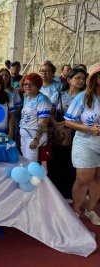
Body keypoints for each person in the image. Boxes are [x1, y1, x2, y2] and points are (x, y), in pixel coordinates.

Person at [64, 62, 100, 224]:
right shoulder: (83, 97)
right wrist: (89, 129)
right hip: (85, 143)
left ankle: (91, 210)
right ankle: (75, 210)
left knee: (98, 179)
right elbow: (68, 122)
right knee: (83, 180)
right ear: (93, 77)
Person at [47, 68, 86, 200]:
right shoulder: (58, 95)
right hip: (58, 133)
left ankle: (68, 193)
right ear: (69, 80)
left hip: (76, 133)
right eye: (77, 78)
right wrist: (56, 124)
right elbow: (48, 112)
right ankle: (55, 191)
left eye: (83, 78)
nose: (81, 81)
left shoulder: (85, 97)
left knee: (71, 163)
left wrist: (64, 124)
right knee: (56, 161)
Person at [19, 73, 52, 162]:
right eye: (25, 84)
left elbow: (44, 121)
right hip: (25, 136)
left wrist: (36, 139)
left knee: (32, 166)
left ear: (38, 85)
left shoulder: (43, 100)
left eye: (31, 84)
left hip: (34, 137)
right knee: (26, 164)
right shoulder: (27, 98)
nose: (28, 86)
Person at [0, 68, 22, 140]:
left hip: (11, 119)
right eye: (2, 75)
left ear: (9, 77)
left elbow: (18, 107)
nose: (4, 77)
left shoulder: (13, 91)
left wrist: (11, 116)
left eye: (6, 75)